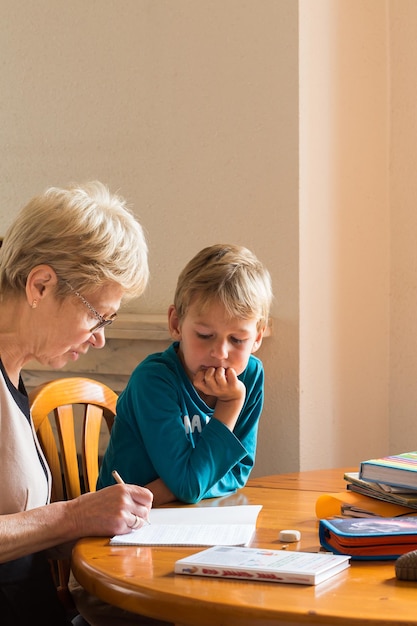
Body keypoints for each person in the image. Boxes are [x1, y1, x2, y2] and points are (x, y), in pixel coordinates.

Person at [0, 181, 154, 626]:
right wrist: (73, 516)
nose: (101, 336)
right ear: (41, 285)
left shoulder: (14, 369)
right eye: (95, 315)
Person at [97, 243, 273, 506]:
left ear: (257, 337)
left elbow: (238, 472)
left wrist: (176, 487)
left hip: (183, 514)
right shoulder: (154, 381)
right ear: (176, 324)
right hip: (126, 525)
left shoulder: (250, 375)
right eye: (204, 335)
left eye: (237, 339)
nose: (220, 353)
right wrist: (231, 404)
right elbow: (190, 487)